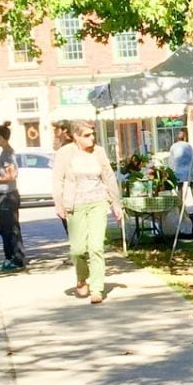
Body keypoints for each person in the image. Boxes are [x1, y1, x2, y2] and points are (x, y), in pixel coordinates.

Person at [52, 121, 125, 305]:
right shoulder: (64, 154)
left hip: (98, 203)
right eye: (86, 135)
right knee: (77, 249)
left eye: (92, 134)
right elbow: (57, 180)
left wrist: (116, 204)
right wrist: (58, 204)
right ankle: (82, 277)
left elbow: (108, 177)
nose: (91, 138)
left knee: (96, 246)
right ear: (75, 136)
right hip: (75, 205)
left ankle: (97, 288)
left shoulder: (99, 152)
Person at [0, 123, 27, 272]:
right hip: (2, 194)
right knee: (4, 228)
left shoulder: (8, 154)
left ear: (1, 137)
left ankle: (16, 259)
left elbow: (11, 175)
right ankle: (9, 257)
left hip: (7, 195)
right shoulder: (5, 153)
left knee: (10, 228)